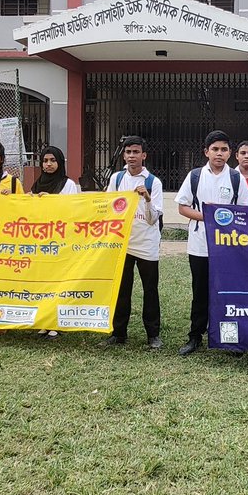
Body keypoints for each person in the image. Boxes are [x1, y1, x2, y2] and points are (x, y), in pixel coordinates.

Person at [176, 130, 248, 356]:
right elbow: (182, 207)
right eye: (215, 149)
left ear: (230, 153)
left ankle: (228, 338)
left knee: (227, 293)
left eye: (224, 149)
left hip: (228, 248)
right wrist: (207, 215)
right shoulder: (195, 176)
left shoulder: (237, 179)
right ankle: (195, 336)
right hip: (200, 245)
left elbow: (245, 212)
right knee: (200, 292)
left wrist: (227, 218)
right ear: (206, 152)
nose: (219, 153)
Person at [102, 136, 165, 350]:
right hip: (123, 244)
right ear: (124, 155)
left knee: (150, 290)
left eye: (136, 152)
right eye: (128, 152)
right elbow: (108, 207)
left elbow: (153, 218)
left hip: (146, 243)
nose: (131, 156)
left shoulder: (153, 182)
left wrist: (146, 198)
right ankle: (118, 333)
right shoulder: (117, 179)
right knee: (122, 289)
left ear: (144, 155)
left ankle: (153, 335)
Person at [30, 145, 79, 339]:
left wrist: (51, 201)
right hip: (41, 242)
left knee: (59, 283)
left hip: (60, 242)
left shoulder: (68, 185)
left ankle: (57, 322)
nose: (48, 165)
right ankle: (45, 321)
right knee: (43, 283)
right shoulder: (37, 184)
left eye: (52, 161)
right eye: (45, 161)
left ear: (59, 162)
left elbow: (72, 211)